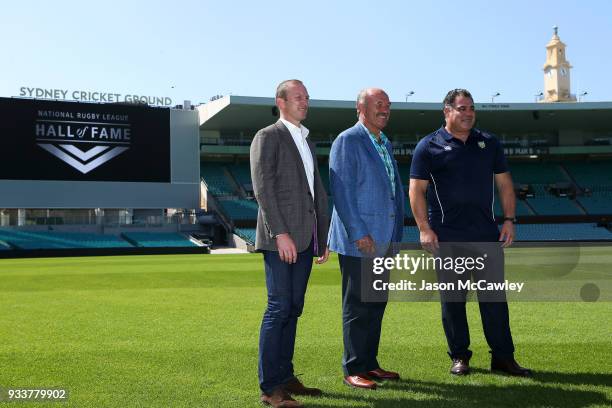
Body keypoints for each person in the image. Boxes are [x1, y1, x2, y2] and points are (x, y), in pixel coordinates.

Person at [409, 88, 532, 377]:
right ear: (447, 111)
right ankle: (459, 357)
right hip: (447, 237)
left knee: (495, 302)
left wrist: (509, 219)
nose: (468, 113)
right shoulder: (428, 146)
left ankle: (503, 357)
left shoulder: (489, 143)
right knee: (453, 302)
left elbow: (504, 184)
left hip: (486, 236)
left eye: (471, 108)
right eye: (462, 108)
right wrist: (424, 229)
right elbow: (416, 190)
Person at [250, 79, 330, 407]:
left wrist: (321, 237)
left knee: (293, 310)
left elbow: (316, 193)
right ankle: (270, 389)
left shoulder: (306, 140)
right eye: (298, 97)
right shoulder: (268, 136)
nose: (305, 102)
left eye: (307, 97)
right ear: (281, 102)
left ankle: (285, 376)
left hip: (306, 239)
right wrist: (279, 232)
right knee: (279, 307)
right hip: (281, 239)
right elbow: (263, 187)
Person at [328, 88, 405, 390]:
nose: (384, 109)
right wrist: (358, 232)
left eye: (387, 105)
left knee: (376, 304)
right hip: (361, 240)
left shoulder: (384, 142)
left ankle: (370, 363)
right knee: (358, 306)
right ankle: (353, 368)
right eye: (378, 104)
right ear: (361, 108)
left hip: (385, 240)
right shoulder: (348, 140)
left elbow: (393, 193)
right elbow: (343, 191)